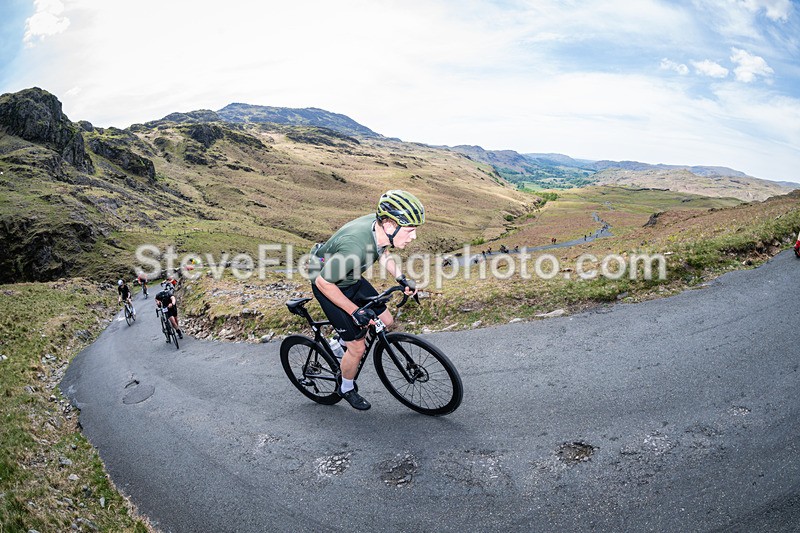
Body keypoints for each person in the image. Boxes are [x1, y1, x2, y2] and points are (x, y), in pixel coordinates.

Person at [308, 190, 423, 410]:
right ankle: (346, 386)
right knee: (357, 347)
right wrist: (354, 311)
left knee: (386, 321)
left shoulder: (379, 230)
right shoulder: (355, 247)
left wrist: (402, 278)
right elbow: (324, 284)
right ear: (390, 226)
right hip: (328, 284)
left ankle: (339, 342)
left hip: (349, 278)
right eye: (410, 230)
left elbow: (383, 254)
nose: (414, 236)